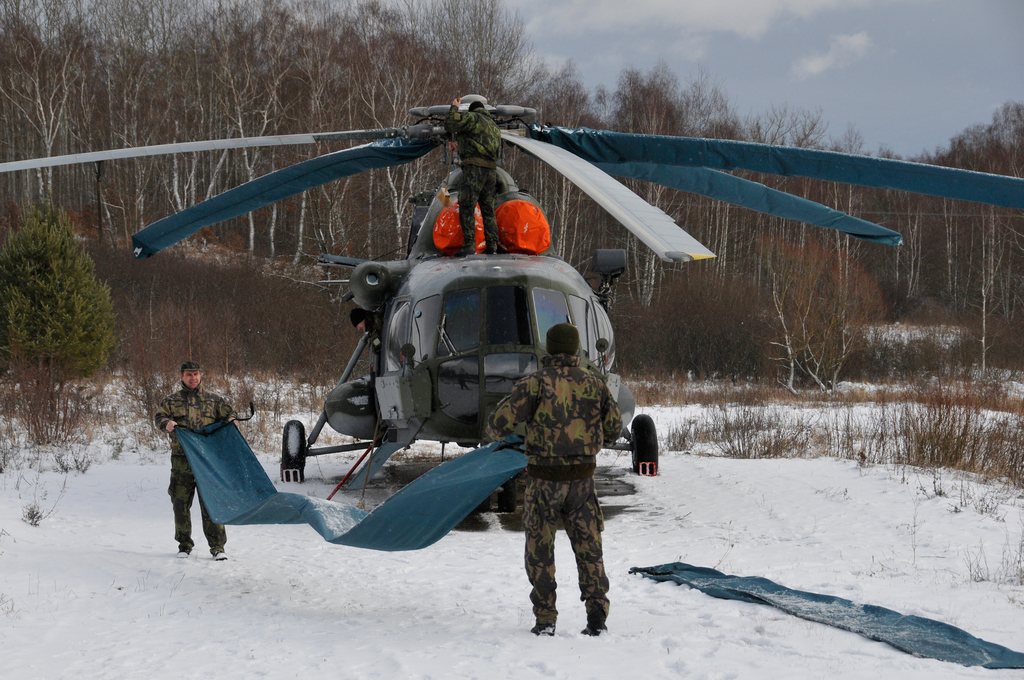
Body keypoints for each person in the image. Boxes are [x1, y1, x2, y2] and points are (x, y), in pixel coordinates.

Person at [486, 323, 623, 637]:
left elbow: (497, 426)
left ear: (549, 349)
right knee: (589, 550)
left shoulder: (532, 384)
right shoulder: (595, 383)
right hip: (583, 483)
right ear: (576, 350)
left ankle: (546, 619)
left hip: (544, 482)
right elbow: (615, 429)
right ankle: (597, 617)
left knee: (540, 551)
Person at [154, 361, 238, 560]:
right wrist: (167, 424)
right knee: (180, 503)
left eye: (196, 374)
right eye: (189, 374)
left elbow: (230, 414)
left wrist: (231, 420)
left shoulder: (214, 400)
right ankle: (184, 545)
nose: (193, 378)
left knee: (211, 503)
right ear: (181, 377)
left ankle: (217, 547)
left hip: (207, 462)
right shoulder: (171, 401)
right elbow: (159, 417)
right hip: (182, 461)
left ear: (201, 376)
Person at [443, 94, 501, 256]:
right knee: (488, 210)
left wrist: (454, 107)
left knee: (467, 205)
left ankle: (469, 244)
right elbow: (482, 147)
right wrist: (460, 148)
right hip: (490, 172)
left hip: (474, 169)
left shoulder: (474, 118)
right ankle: (492, 247)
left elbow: (450, 124)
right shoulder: (494, 127)